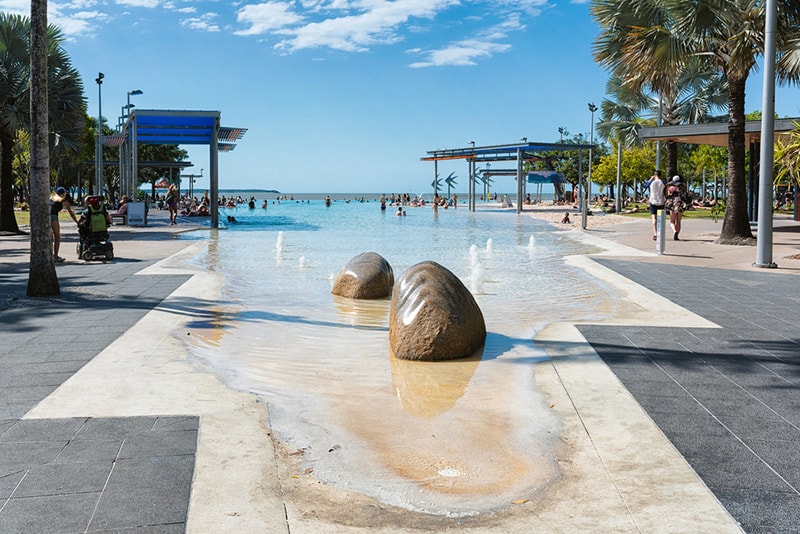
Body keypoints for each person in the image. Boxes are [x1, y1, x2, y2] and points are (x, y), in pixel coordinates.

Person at [50, 186, 79, 262]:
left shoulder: (51, 198)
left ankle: (49, 255)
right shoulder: (63, 201)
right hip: (53, 217)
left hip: (45, 217)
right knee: (57, 236)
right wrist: (77, 221)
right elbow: (71, 213)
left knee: (49, 237)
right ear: (63, 194)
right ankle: (55, 256)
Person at [645, 170, 666, 241]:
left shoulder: (652, 182)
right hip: (661, 201)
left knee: (654, 218)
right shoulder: (663, 182)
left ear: (654, 175)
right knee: (660, 218)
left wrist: (650, 179)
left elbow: (645, 185)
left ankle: (655, 233)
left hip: (653, 201)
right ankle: (660, 232)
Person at [666, 175, 688, 240]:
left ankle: (674, 231)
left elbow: (668, 194)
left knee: (672, 221)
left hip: (673, 204)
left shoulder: (671, 187)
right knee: (678, 221)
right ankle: (677, 235)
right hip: (681, 204)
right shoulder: (683, 186)